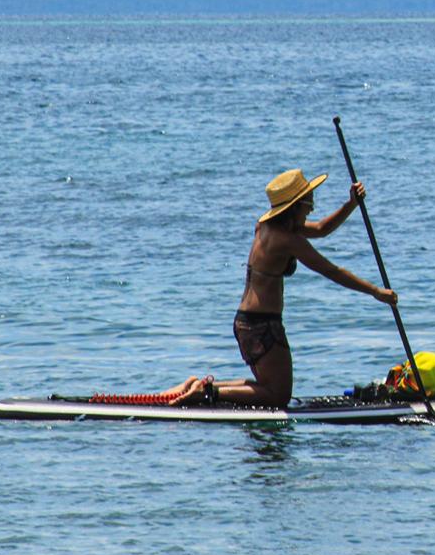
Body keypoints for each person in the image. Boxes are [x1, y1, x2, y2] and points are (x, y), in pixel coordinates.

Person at [167, 168, 397, 407]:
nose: (312, 209)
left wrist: (351, 204)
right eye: (309, 203)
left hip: (246, 322)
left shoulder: (266, 227)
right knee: (278, 396)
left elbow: (320, 229)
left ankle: (203, 387)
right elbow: (331, 270)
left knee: (268, 387)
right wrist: (375, 291)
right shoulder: (288, 241)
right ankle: (207, 393)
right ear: (295, 207)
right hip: (262, 326)